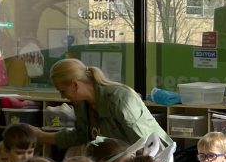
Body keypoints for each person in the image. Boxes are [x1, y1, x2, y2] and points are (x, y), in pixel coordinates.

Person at [40, 58, 169, 148]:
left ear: (75, 85)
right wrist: (40, 135)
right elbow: (80, 136)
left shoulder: (120, 100)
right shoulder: (82, 105)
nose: (63, 96)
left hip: (150, 161)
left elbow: (147, 144)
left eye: (62, 91)